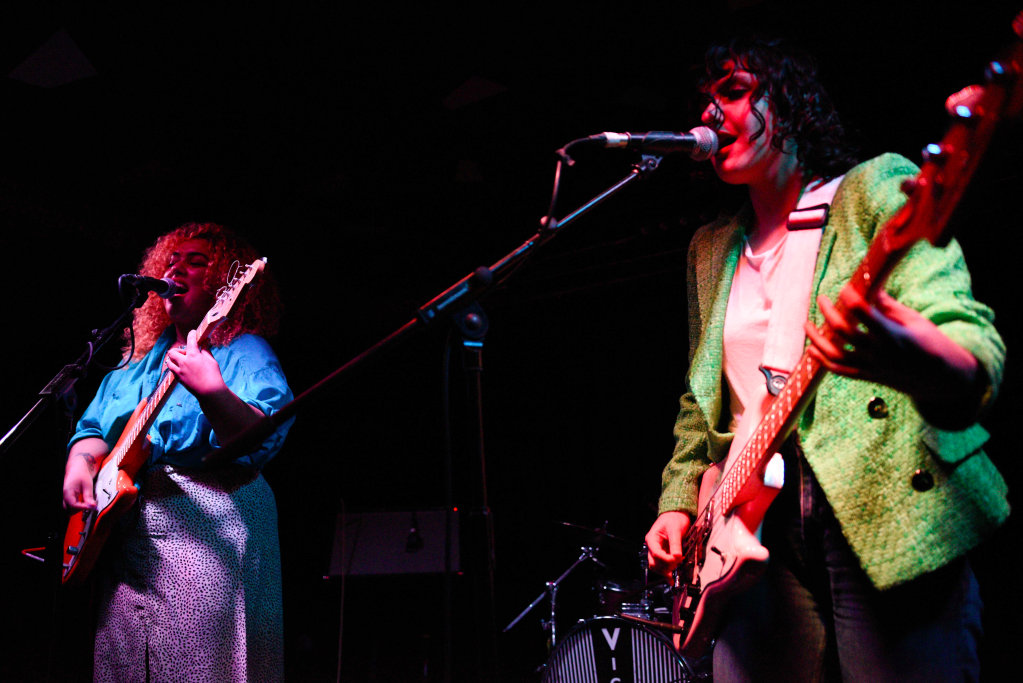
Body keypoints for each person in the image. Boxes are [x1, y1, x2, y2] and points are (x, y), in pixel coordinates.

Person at [644, 36, 1008, 682]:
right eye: (705, 99)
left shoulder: (872, 189)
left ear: (791, 104)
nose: (710, 114)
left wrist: (917, 357)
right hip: (746, 528)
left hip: (873, 498)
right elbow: (700, 401)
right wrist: (678, 501)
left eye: (734, 91)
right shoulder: (710, 248)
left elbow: (970, 343)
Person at [62, 222, 294, 682]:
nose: (176, 268)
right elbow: (94, 428)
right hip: (128, 539)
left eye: (197, 262)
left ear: (224, 283)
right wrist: (79, 464)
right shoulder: (138, 361)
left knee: (203, 666)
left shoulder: (243, 350)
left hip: (210, 526)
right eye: (171, 261)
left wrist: (213, 391)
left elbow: (260, 435)